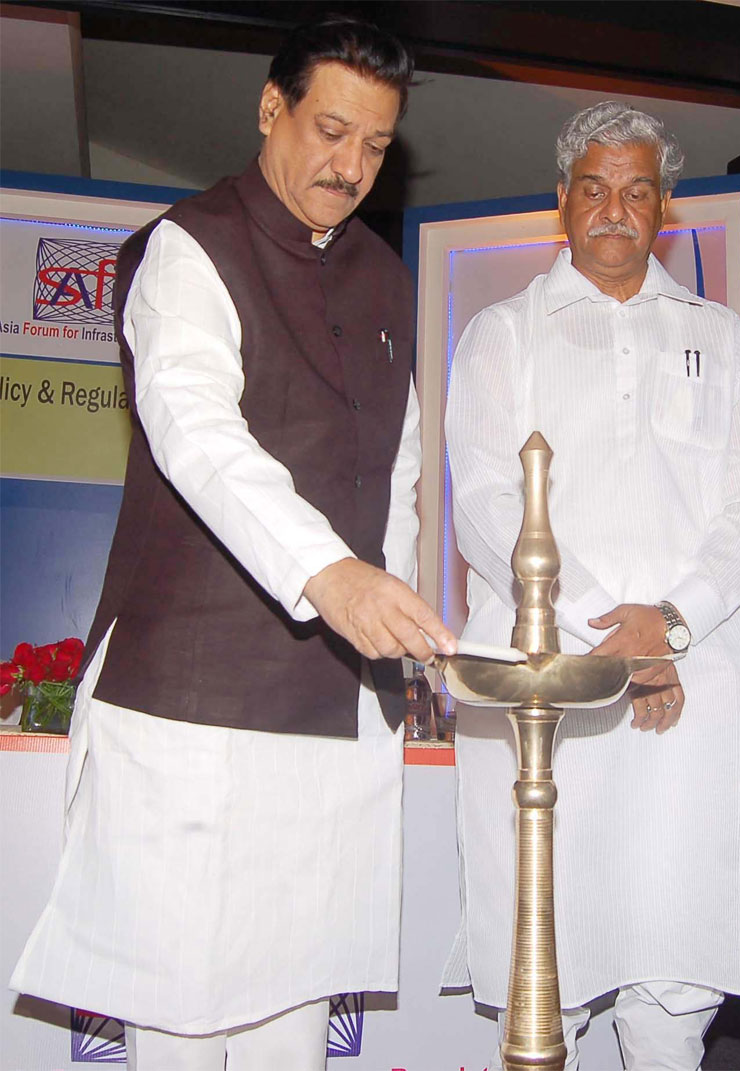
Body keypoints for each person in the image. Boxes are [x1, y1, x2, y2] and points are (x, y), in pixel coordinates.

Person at [10, 17, 455, 1070]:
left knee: (295, 1010)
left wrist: (388, 607)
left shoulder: (389, 280)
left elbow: (396, 472)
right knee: (182, 1011)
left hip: (337, 709)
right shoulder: (188, 247)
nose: (350, 168)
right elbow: (194, 428)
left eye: (377, 146)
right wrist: (330, 574)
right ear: (272, 108)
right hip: (189, 703)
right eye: (332, 131)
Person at [442, 101, 740, 1069]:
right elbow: (485, 499)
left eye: (638, 190)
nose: (615, 208)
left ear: (665, 209)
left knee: (679, 960)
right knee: (550, 949)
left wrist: (676, 622)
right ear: (563, 202)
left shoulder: (719, 335)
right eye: (595, 187)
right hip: (545, 675)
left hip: (701, 677)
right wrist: (607, 637)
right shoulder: (501, 334)